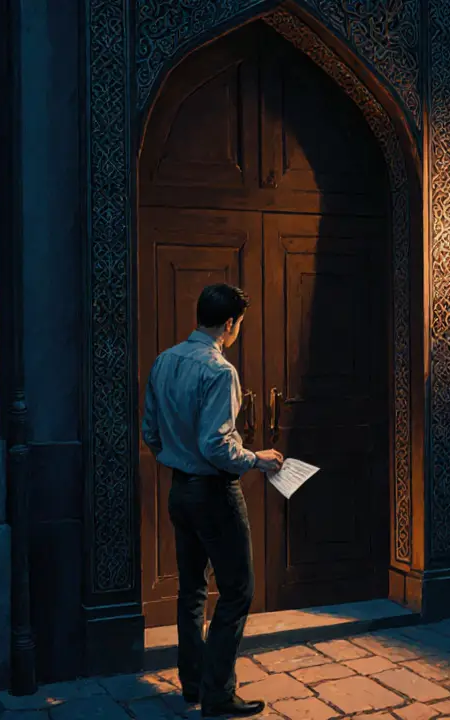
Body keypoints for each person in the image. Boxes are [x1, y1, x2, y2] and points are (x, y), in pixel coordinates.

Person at [141, 283, 284, 718]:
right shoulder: (220, 371)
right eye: (239, 323)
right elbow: (217, 446)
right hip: (214, 492)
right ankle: (218, 693)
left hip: (179, 489)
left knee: (192, 590)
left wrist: (175, 455)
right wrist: (257, 459)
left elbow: (150, 431)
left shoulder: (165, 361)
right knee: (238, 589)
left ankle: (192, 684)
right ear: (229, 324)